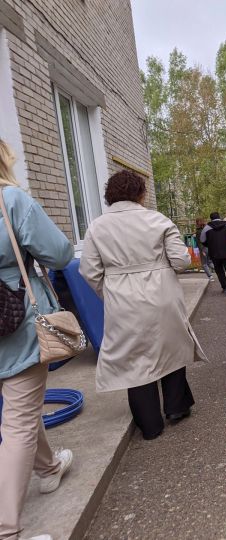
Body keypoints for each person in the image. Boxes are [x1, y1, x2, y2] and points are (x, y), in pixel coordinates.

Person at [80, 170, 207, 440]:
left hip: (122, 300)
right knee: (170, 347)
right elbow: (182, 261)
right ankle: (176, 407)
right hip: (161, 294)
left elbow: (89, 271)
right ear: (140, 193)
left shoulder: (96, 227)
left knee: (133, 359)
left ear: (109, 196)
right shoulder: (157, 220)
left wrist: (111, 291)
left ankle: (149, 424)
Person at [0, 140, 75, 540]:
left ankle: (48, 468)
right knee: (18, 422)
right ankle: (6, 530)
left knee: (22, 410)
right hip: (14, 324)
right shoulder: (10, 201)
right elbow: (61, 253)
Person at [200, 212, 226, 294]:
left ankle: (225, 288)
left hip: (214, 253)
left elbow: (202, 240)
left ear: (211, 218)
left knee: (219, 271)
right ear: (219, 217)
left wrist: (209, 244)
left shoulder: (206, 228)